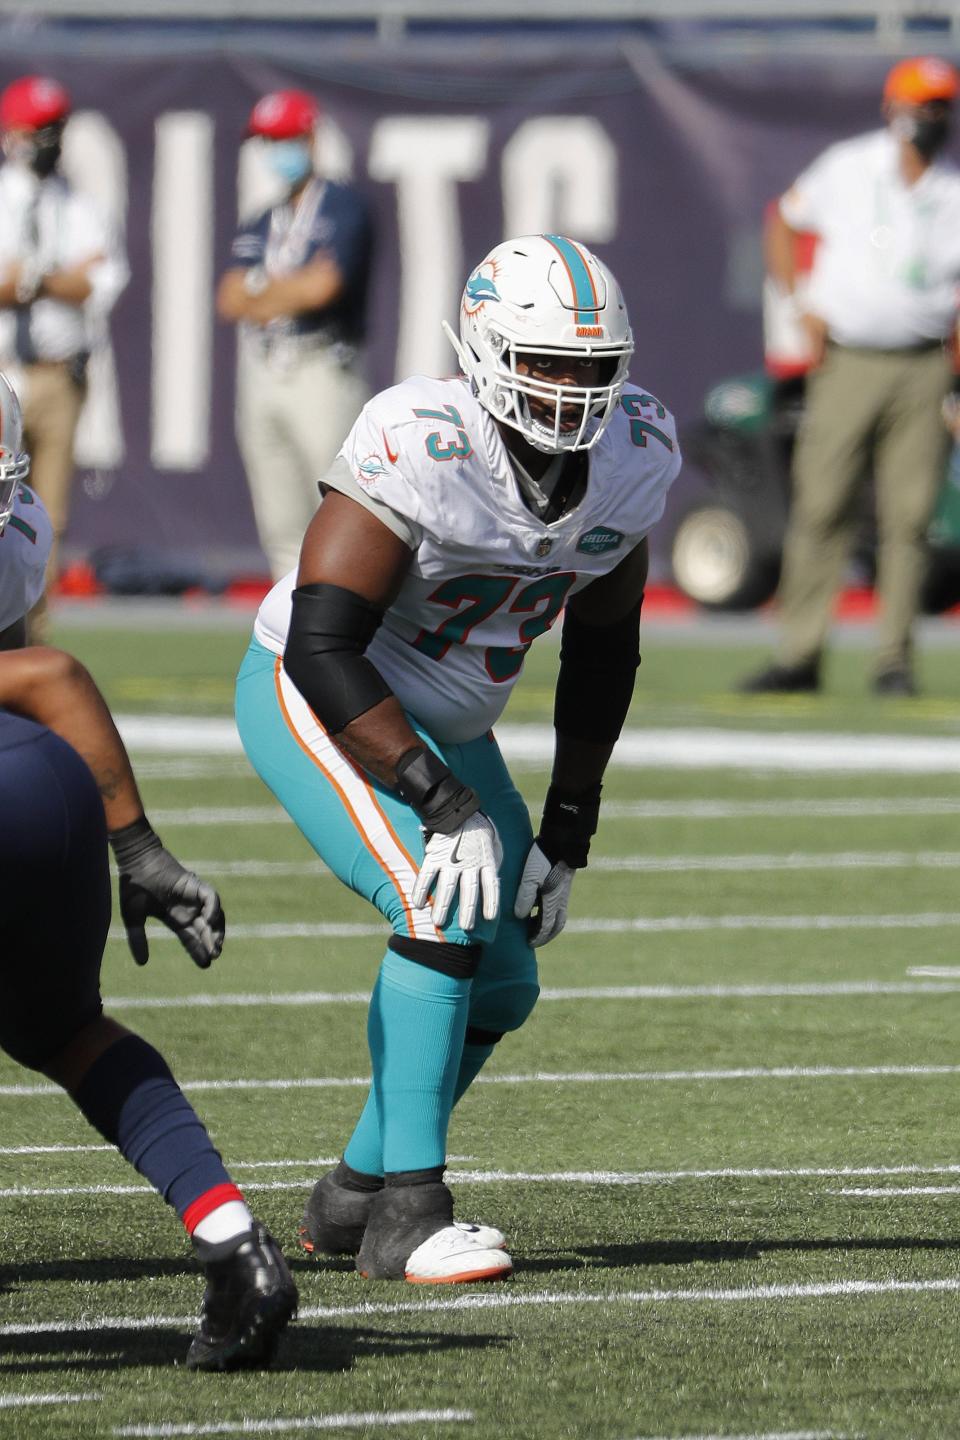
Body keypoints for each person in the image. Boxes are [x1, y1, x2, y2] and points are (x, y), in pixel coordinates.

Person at [235, 234, 681, 1283]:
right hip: (329, 698)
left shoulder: (635, 453)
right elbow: (321, 641)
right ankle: (408, 1220)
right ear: (481, 352)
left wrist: (571, 820)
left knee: (505, 981)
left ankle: (351, 1197)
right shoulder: (422, 436)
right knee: (435, 905)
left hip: (454, 724)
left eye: (591, 367)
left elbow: (606, 644)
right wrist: (438, 800)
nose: (572, 393)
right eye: (547, 364)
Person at [0, 381, 297, 1370]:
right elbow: (53, 677)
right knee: (68, 1032)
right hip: (51, 784)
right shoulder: (24, 514)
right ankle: (232, 1243)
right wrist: (141, 851)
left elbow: (40, 678)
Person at [741, 56, 960, 699]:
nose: (932, 118)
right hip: (848, 360)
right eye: (923, 105)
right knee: (822, 502)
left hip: (923, 365)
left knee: (910, 516)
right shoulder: (849, 167)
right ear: (894, 109)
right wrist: (796, 305)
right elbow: (783, 219)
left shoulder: (953, 189)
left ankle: (893, 659)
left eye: (942, 106)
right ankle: (800, 653)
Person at [217, 88, 374, 582]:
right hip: (266, 367)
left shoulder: (342, 207)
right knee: (280, 518)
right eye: (267, 140)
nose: (275, 150)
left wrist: (264, 291)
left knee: (341, 503)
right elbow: (229, 298)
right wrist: (288, 288)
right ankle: (288, 634)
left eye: (283, 138)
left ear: (309, 137)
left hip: (321, 365)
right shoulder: (265, 218)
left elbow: (324, 287)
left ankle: (350, 620)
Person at [0, 75, 129, 635]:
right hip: (2, 370)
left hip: (57, 375)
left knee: (42, 520)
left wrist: (26, 278)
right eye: (37, 128)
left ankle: (30, 643)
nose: (48, 138)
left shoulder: (79, 204)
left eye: (55, 127)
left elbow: (98, 284)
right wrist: (57, 278)